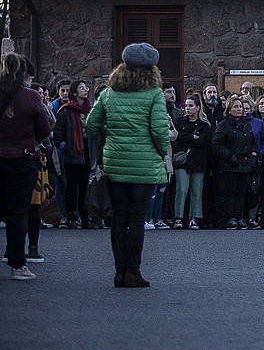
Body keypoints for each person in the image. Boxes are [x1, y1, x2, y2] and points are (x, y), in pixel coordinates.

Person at [84, 43, 172, 288]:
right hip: (144, 165)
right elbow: (159, 131)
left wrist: (109, 136)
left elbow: (91, 125)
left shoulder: (108, 93)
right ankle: (133, 270)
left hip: (115, 162)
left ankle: (119, 271)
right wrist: (160, 152)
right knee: (136, 218)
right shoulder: (154, 94)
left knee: (119, 217)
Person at [0, 54, 53, 280]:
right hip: (22, 160)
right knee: (18, 213)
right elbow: (44, 130)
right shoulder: (30, 96)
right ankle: (18, 264)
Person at [51, 80, 94, 229]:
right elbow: (57, 134)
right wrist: (65, 147)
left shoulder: (90, 110)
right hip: (72, 153)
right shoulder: (66, 110)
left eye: (86, 87)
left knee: (84, 186)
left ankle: (84, 214)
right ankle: (71, 215)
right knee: (71, 185)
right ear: (75, 92)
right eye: (82, 88)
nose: (85, 90)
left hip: (87, 151)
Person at [212, 95, 258, 230]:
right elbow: (216, 144)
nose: (239, 109)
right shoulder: (224, 125)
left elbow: (252, 141)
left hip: (245, 164)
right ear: (229, 109)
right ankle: (229, 217)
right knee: (229, 192)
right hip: (230, 164)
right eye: (236, 107)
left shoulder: (245, 124)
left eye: (241, 107)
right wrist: (230, 156)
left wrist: (253, 155)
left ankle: (239, 216)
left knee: (242, 192)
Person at [172, 95, 211, 229]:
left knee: (196, 190)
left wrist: (189, 139)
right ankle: (178, 217)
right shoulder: (179, 122)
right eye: (186, 106)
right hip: (182, 159)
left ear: (198, 107)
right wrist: (192, 137)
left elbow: (204, 141)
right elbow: (176, 137)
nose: (188, 109)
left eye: (191, 106)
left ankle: (195, 217)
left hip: (198, 161)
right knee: (181, 189)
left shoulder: (204, 125)